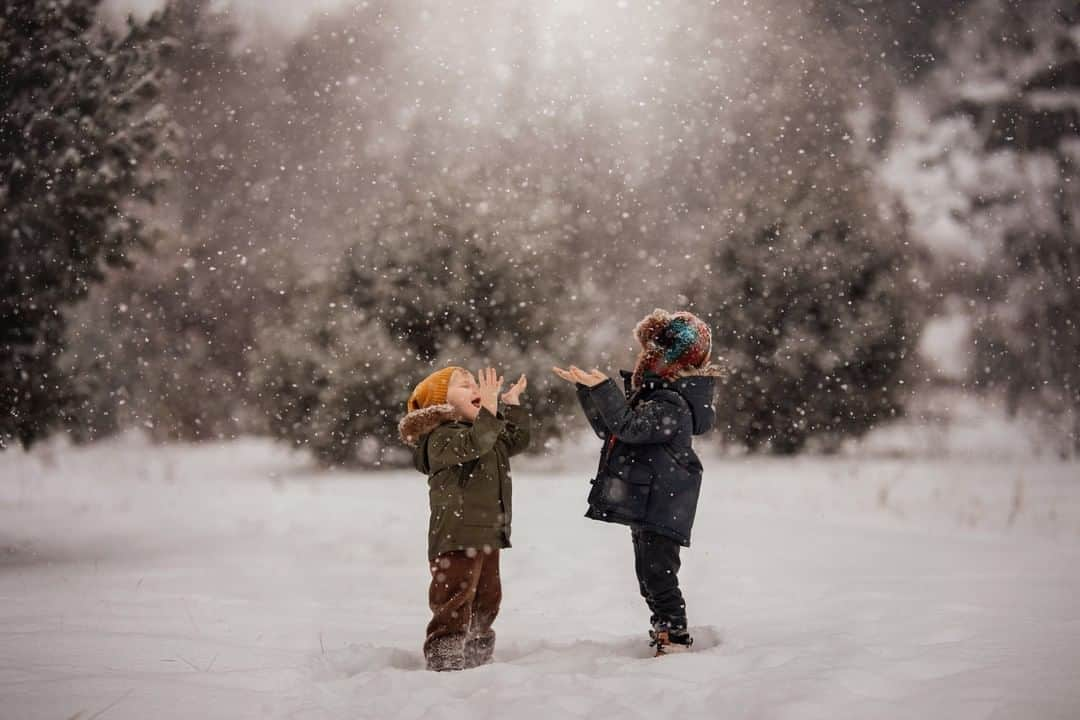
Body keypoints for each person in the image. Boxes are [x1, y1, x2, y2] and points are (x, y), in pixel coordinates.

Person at [554, 309, 718, 656]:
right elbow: (611, 428)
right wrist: (590, 391)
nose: (641, 359)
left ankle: (674, 636)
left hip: (663, 502)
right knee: (648, 575)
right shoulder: (654, 398)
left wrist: (604, 388)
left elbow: (629, 427)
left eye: (649, 354)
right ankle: (664, 628)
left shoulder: (670, 404)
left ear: (665, 360)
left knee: (659, 575)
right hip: (650, 501)